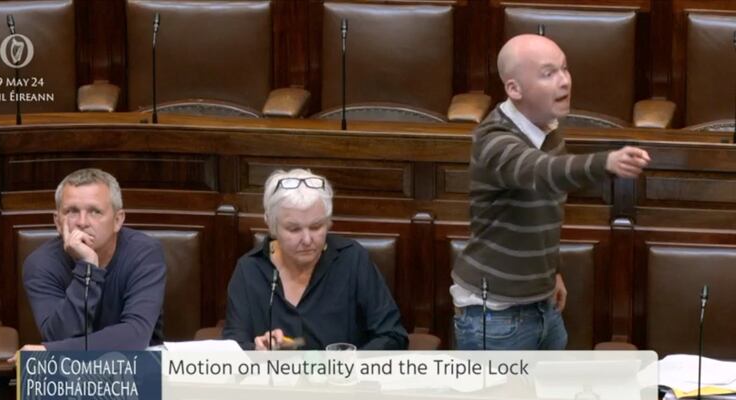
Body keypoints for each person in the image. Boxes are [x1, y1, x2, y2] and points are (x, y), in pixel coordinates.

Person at [451, 34, 650, 350]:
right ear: (514, 89)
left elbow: (544, 211)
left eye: (565, 69)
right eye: (548, 73)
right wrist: (607, 161)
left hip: (543, 303)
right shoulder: (493, 139)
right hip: (495, 317)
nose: (564, 82)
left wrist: (551, 273)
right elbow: (541, 172)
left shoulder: (549, 127)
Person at [12, 168, 167, 400]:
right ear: (57, 221)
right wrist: (87, 268)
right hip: (62, 381)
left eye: (95, 211)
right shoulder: (40, 264)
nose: (82, 223)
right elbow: (60, 333)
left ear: (118, 219)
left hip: (134, 377)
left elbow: (135, 336)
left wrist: (50, 352)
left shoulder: (145, 253)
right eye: (71, 211)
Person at [222, 168, 408, 350]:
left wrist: (349, 365)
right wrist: (257, 351)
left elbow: (393, 335)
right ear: (272, 226)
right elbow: (234, 345)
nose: (307, 240)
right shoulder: (250, 270)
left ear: (328, 222)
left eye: (316, 227)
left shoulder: (352, 260)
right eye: (294, 229)